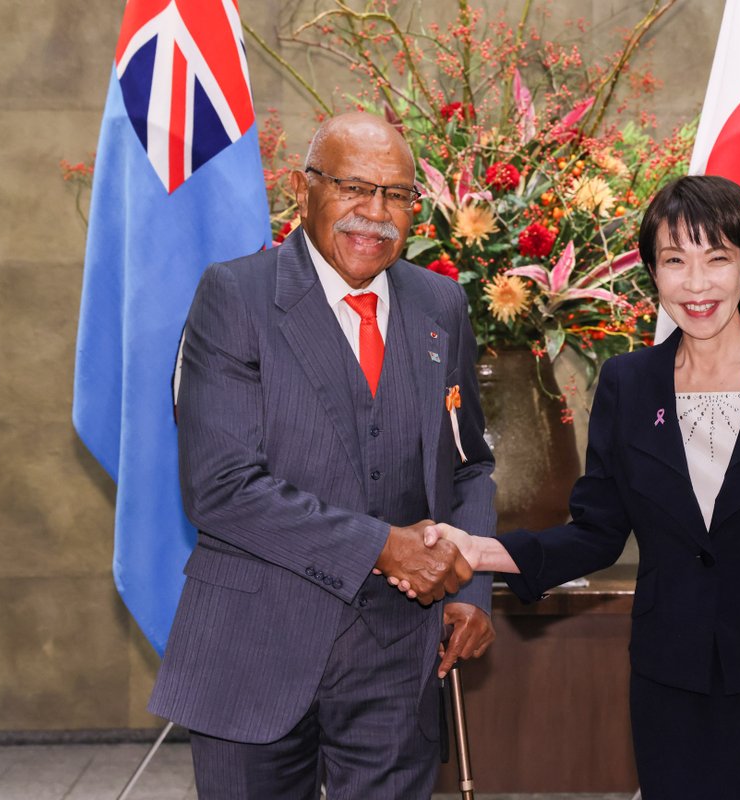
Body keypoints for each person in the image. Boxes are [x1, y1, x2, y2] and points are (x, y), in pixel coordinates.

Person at [424, 175, 740, 798]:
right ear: (652, 272)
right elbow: (597, 530)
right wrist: (480, 550)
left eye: (717, 259)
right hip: (673, 669)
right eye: (675, 261)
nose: (696, 284)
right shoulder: (628, 382)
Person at [148, 112, 497, 799]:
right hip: (255, 648)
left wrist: (473, 583)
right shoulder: (235, 297)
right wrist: (383, 547)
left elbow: (469, 464)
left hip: (399, 654)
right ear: (304, 190)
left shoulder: (441, 304)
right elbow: (220, 488)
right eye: (353, 188)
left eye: (395, 195)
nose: (375, 214)